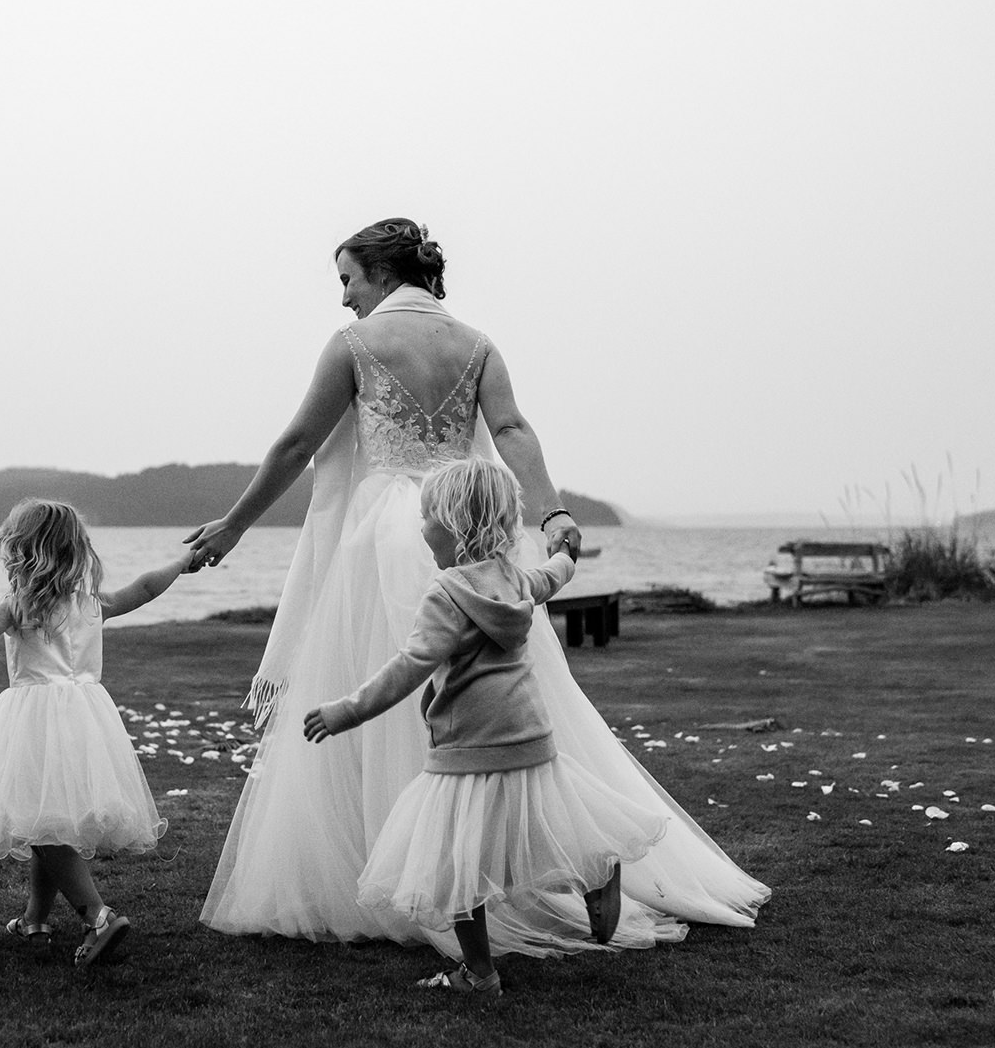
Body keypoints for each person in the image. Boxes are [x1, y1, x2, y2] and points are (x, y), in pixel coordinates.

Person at [189, 217, 769, 957]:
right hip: (475, 528)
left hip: (387, 534)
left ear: (380, 274)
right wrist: (552, 509)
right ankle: (556, 856)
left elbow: (298, 445)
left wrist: (235, 526)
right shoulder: (477, 343)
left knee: (406, 690)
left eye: (347, 280)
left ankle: (421, 877)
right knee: (511, 701)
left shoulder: (354, 346)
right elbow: (514, 429)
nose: (343, 299)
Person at [303, 459, 669, 996]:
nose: (421, 526)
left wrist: (347, 712)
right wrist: (566, 553)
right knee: (535, 830)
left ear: (452, 524)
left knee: (455, 868)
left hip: (468, 748)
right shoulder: (514, 579)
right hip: (528, 736)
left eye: (427, 516)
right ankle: (596, 869)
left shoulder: (446, 594)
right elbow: (554, 576)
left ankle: (479, 974)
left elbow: (409, 666)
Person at [0, 498, 196, 968]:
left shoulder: (20, 607)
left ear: (20, 550)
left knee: (39, 820)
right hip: (86, 719)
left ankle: (98, 916)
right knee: (46, 818)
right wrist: (183, 561)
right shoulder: (92, 603)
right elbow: (144, 588)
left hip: (35, 721)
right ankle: (34, 920)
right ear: (75, 550)